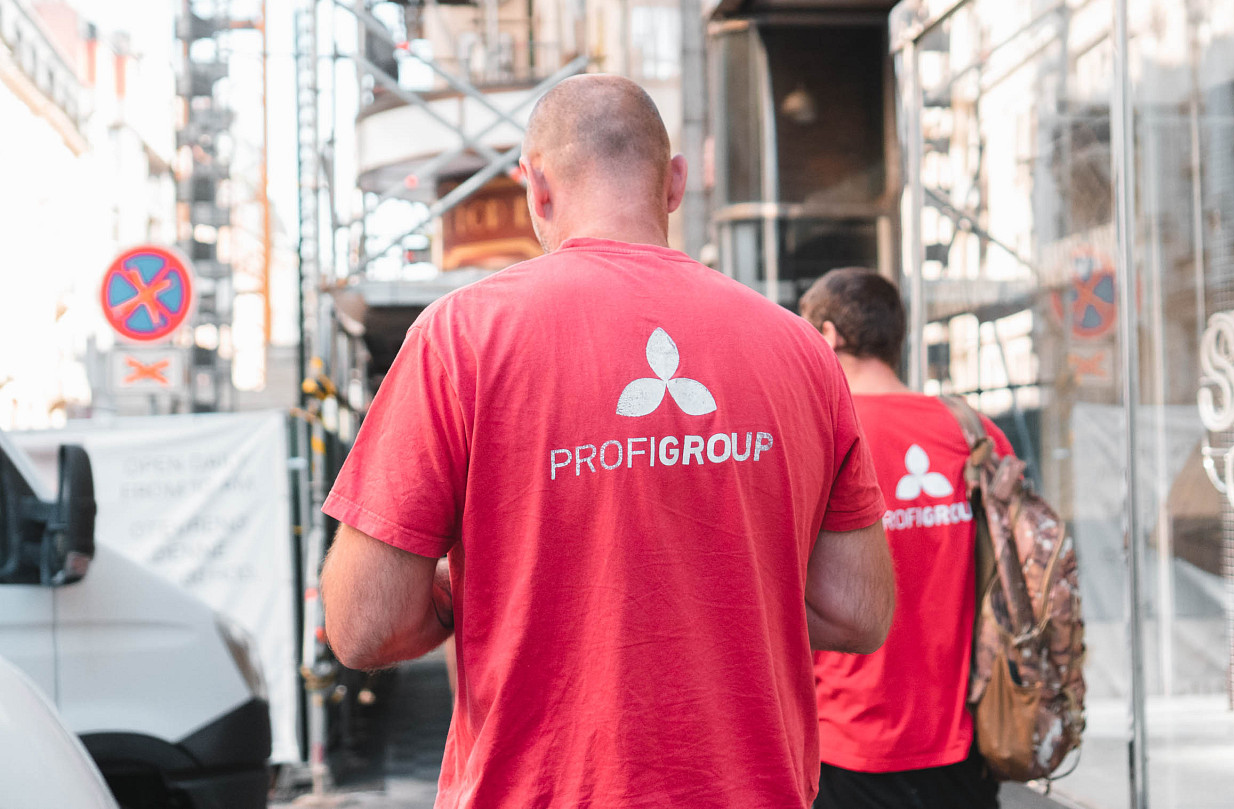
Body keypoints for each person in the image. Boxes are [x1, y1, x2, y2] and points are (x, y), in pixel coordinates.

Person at [318, 75, 896, 809]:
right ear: (674, 182)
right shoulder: (801, 351)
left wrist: (482, 587)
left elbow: (364, 625)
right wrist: (721, 594)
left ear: (536, 189)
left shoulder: (460, 337)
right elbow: (857, 610)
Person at [799, 267, 1013, 809]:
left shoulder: (817, 433)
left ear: (829, 337)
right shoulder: (973, 432)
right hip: (963, 740)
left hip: (844, 744)